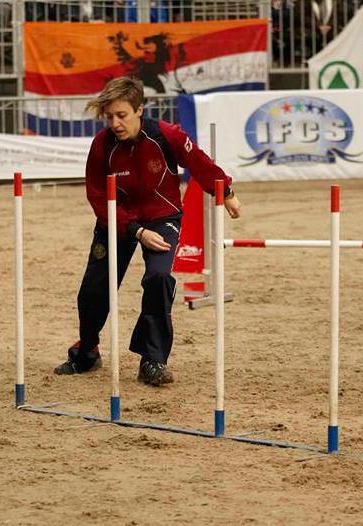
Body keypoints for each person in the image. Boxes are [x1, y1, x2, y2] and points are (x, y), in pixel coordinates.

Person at [54, 76, 241, 386]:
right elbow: (97, 196)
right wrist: (135, 231)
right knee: (93, 289)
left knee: (158, 279)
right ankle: (87, 353)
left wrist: (227, 191)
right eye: (109, 116)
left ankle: (152, 360)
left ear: (140, 109)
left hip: (163, 217)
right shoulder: (102, 145)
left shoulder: (166, 135)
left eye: (122, 115)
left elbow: (200, 162)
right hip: (118, 220)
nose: (115, 123)